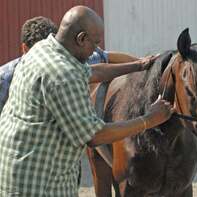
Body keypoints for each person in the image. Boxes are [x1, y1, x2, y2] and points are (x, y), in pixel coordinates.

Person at [0, 6, 174, 196]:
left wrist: (139, 65)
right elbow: (94, 135)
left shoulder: (45, 49)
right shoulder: (62, 76)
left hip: (18, 166)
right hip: (38, 183)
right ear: (81, 38)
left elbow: (93, 71)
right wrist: (149, 119)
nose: (96, 50)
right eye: (95, 43)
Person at [0, 16, 156, 114]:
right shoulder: (4, 78)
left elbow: (106, 58)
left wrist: (144, 65)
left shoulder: (68, 59)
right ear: (24, 49)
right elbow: (93, 135)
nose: (48, 60)